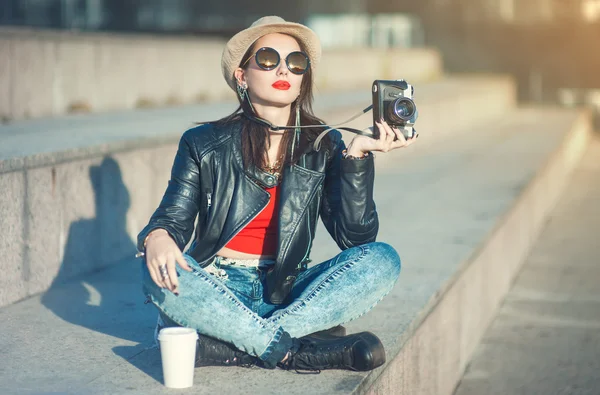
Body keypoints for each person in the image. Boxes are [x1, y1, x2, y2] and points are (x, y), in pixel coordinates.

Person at [137, 15, 417, 373]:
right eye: (268, 60)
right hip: (218, 287)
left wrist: (356, 158)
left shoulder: (326, 144)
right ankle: (296, 350)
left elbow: (356, 239)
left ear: (304, 79)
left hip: (287, 289)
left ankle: (240, 344)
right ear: (242, 75)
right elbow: (171, 220)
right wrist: (158, 237)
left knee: (383, 260)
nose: (283, 69)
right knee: (152, 270)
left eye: (296, 63)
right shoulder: (203, 143)